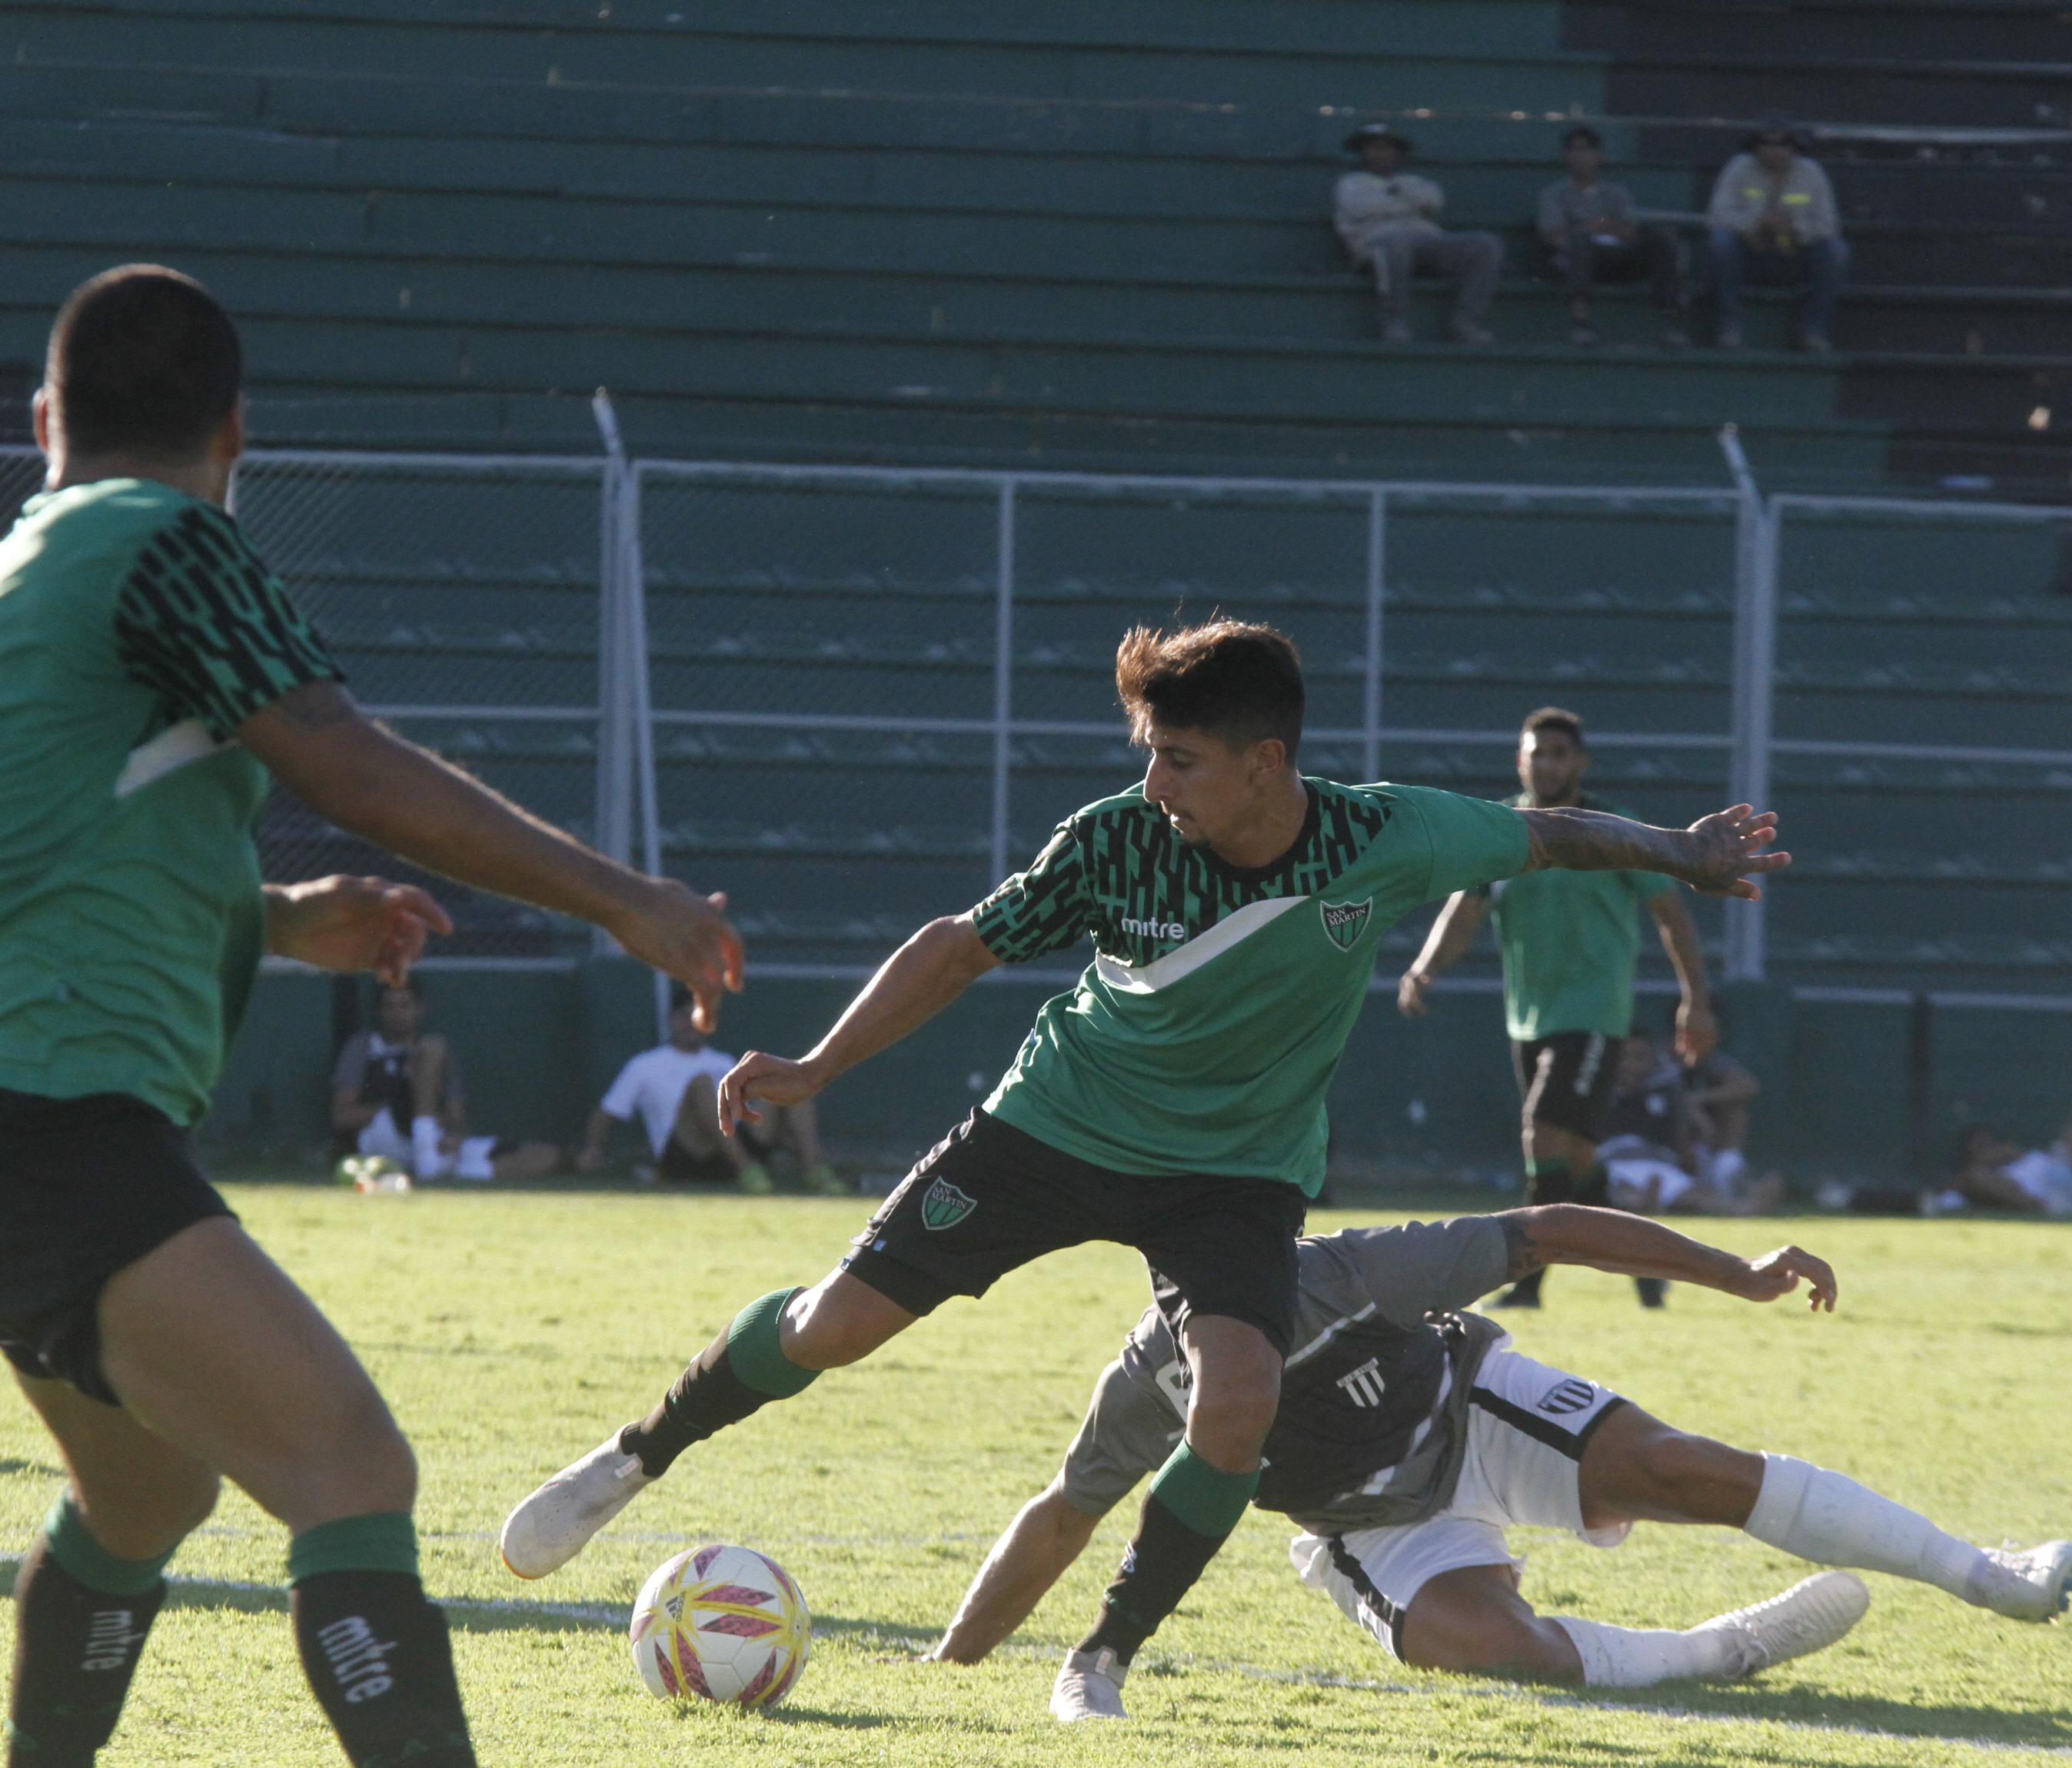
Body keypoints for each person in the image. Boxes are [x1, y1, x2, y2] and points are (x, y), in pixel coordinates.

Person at [499, 618, 1788, 1725]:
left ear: (1264, 761)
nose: (1153, 780)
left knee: (1235, 1405)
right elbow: (958, 945)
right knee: (829, 1328)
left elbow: (1547, 837)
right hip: (1055, 1127)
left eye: (1179, 758)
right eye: (1149, 754)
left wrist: (1683, 850)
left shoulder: (1382, 834)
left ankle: (1102, 1658)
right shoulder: (1113, 842)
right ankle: (631, 1459)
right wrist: (816, 1066)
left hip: (1233, 1175)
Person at [0, 264, 741, 1768]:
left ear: (44, 418)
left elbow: (52, 854)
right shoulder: (167, 539)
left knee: (146, 1493)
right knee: (350, 1467)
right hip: (51, 1110)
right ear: (236, 432)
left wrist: (273, 918)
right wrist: (623, 897)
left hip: (41, 1107)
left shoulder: (32, 571)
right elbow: (345, 761)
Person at [927, 1207, 2072, 1689]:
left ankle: (1992, 1574)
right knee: (1501, 1654)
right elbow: (1061, 1514)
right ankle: (1713, 1652)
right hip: (1371, 1523)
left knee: (1688, 1469)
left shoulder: (1346, 1270)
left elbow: (1546, 1230)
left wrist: (1736, 1272)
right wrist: (951, 1665)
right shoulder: (1148, 1381)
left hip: (1469, 1406)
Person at [1398, 706, 1719, 1310]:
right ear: (1519, 761)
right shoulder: (1501, 830)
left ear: (1580, 763)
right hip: (1527, 1016)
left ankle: (1526, 1283)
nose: (1546, 765)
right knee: (1575, 1158)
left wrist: (1694, 1002)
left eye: (1557, 754)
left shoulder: (1613, 831)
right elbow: (1465, 909)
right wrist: (1425, 968)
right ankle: (1647, 1270)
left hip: (1594, 1014)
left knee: (1542, 1134)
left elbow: (1671, 916)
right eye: (1535, 754)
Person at [577, 983, 845, 1195]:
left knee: (786, 1083)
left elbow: (749, 1110)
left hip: (735, 1142)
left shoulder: (724, 1061)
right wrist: (593, 1149)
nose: (690, 1024)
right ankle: (746, 1169)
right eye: (685, 1016)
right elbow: (607, 1112)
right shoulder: (644, 1065)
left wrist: (787, 1143)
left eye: (698, 1017)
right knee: (702, 1082)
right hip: (686, 1155)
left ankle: (815, 1169)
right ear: (671, 1019)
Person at [331, 976, 559, 1183]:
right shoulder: (364, 1047)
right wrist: (397, 1109)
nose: (397, 1014)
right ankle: (428, 1160)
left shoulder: (440, 1056)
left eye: (405, 1005)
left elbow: (455, 1116)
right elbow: (342, 1117)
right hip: (385, 1136)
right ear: (379, 1012)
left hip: (435, 1139)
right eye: (389, 1006)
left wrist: (451, 1136)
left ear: (420, 1008)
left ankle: (450, 1171)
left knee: (546, 1156)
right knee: (433, 1046)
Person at [1335, 125, 1503, 345]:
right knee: (1395, 244)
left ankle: (1465, 322)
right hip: (1379, 245)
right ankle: (1393, 321)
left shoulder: (1414, 181)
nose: (1380, 153)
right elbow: (1361, 207)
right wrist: (1407, 202)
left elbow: (1433, 201)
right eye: (1373, 148)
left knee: (1485, 244)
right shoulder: (1350, 183)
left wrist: (1392, 197)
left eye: (1387, 148)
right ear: (1362, 152)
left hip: (1427, 243)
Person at [1597, 1033, 1781, 1216]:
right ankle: (1643, 1204)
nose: (1630, 1065)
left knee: (1692, 1193)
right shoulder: (1598, 1092)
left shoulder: (1666, 1092)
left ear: (1651, 1059)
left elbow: (1682, 1142)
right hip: (1612, 1162)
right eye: (1624, 1057)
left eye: (1639, 1057)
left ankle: (1743, 1209)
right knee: (1621, 1189)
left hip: (1658, 1163)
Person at [1707, 112, 1847, 353]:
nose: (1774, 150)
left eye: (1782, 143)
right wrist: (1758, 221)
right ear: (1755, 145)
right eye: (1766, 143)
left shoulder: (1811, 172)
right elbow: (1716, 216)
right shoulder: (1738, 167)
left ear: (1794, 146)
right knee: (1721, 243)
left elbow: (1828, 223)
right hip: (1750, 256)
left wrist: (1795, 228)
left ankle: (1812, 331)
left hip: (1795, 257)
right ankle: (1729, 328)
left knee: (1836, 250)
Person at [1537, 126, 1688, 347]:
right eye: (1574, 150)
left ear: (1598, 156)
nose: (1581, 156)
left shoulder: (1616, 193)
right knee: (1580, 241)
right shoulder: (1553, 194)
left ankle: (1672, 322)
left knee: (1662, 239)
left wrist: (1608, 227)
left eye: (1587, 150)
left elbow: (1630, 230)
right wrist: (1592, 229)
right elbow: (1554, 235)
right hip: (1579, 259)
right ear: (1565, 156)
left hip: (1620, 256)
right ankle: (1580, 322)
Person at [1946, 1125, 2072, 1217]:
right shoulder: (1970, 1180)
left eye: (1991, 1143)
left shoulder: (2031, 1159)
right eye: (1981, 1147)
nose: (1990, 1150)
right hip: (2051, 1200)